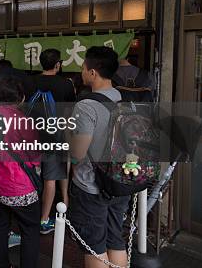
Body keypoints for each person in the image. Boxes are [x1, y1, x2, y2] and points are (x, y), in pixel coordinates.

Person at [68, 46, 127, 268]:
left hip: (92, 186)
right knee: (115, 239)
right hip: (119, 181)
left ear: (93, 72)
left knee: (94, 245)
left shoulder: (86, 106)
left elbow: (79, 152)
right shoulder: (123, 98)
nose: (82, 72)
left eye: (84, 67)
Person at [0, 75, 41, 268]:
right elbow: (35, 156)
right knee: (30, 229)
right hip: (21, 187)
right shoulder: (24, 121)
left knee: (0, 224)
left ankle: (0, 264)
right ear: (21, 98)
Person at [28, 48, 75, 234]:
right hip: (56, 137)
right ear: (58, 64)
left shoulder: (30, 81)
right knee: (50, 178)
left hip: (30, 136)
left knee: (32, 176)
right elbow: (70, 112)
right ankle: (44, 219)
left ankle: (30, 211)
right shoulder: (66, 84)